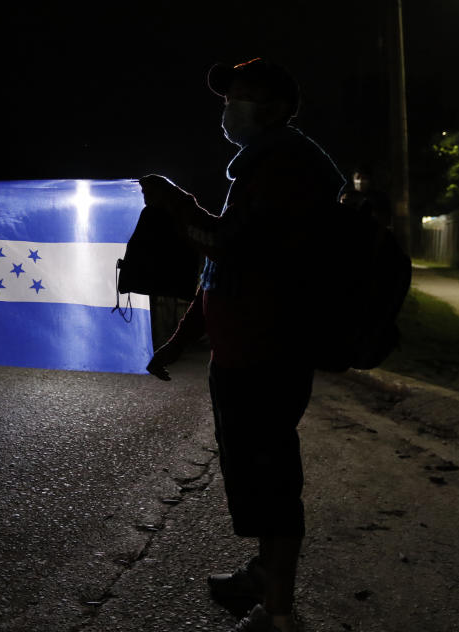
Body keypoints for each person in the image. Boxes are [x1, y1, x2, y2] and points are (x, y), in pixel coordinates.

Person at [139, 58, 345, 632]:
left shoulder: (287, 168)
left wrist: (174, 204)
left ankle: (278, 613)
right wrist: (180, 343)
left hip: (269, 356)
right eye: (226, 98)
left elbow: (228, 246)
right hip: (244, 357)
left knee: (272, 481)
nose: (228, 108)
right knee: (256, 477)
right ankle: (263, 573)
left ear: (275, 109)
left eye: (241, 98)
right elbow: (221, 272)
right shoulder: (262, 164)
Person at [339, 164, 392, 229]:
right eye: (358, 178)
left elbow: (384, 220)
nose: (360, 181)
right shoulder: (348, 196)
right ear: (353, 179)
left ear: (370, 179)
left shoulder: (379, 197)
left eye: (364, 178)